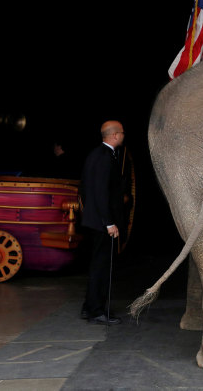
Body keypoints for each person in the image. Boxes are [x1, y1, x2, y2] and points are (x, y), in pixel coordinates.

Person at [79, 120, 126, 325]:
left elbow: (85, 189)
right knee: (101, 266)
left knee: (96, 265)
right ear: (115, 135)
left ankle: (88, 307)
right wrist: (109, 223)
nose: (124, 136)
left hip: (93, 220)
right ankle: (97, 310)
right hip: (102, 223)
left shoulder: (94, 155)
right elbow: (100, 193)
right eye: (122, 132)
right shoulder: (106, 158)